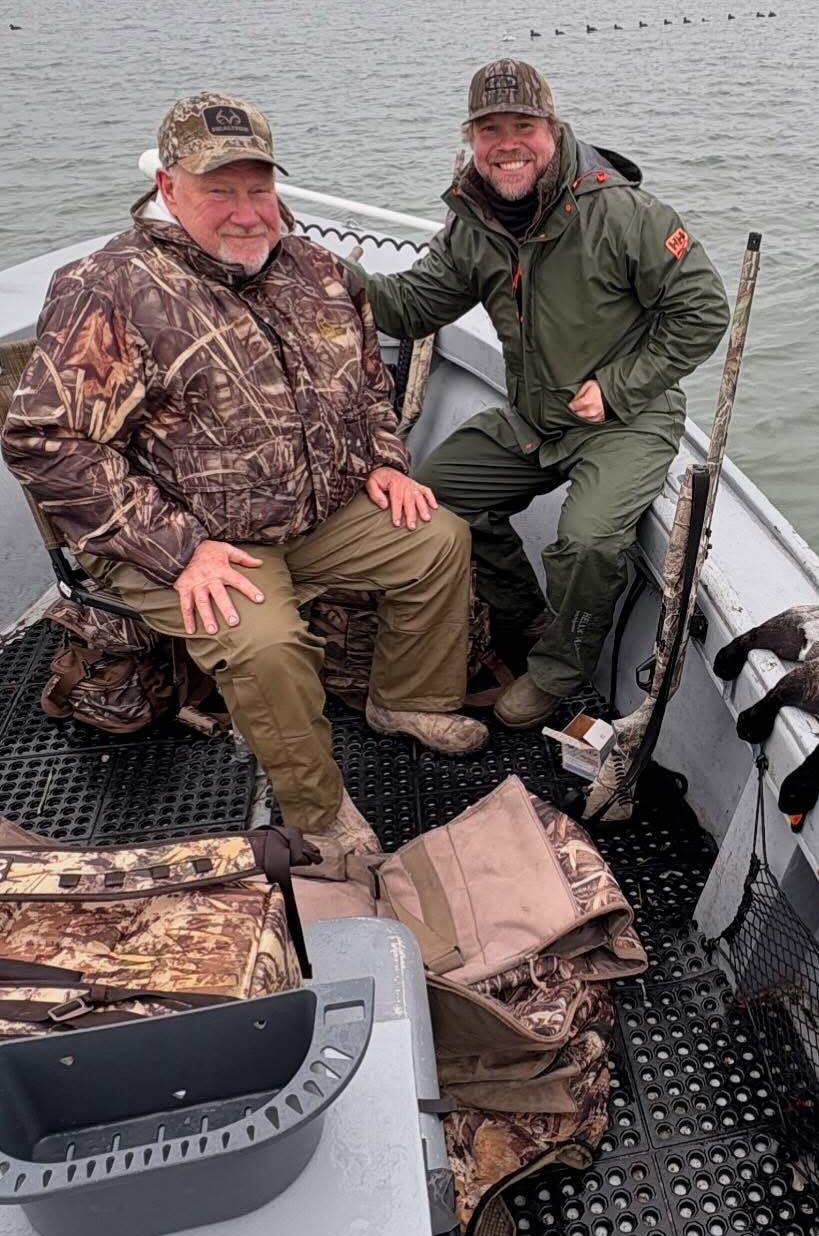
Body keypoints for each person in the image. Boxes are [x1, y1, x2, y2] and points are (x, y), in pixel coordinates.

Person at [2, 92, 487, 875]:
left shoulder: (319, 271)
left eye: (258, 188)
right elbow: (45, 442)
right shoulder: (109, 287)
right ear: (167, 188)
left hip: (316, 510)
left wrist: (385, 463)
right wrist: (181, 549)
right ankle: (320, 814)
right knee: (266, 641)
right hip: (186, 538)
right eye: (217, 190)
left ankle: (406, 699)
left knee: (437, 541)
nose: (246, 211)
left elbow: (367, 388)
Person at [348, 59, 730, 730]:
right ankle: (525, 617)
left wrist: (616, 387)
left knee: (586, 542)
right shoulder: (475, 222)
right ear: (471, 138)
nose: (507, 143)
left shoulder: (624, 213)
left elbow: (701, 311)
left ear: (551, 128)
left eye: (522, 125)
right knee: (438, 498)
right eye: (489, 129)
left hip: (627, 418)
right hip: (534, 416)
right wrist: (327, 274)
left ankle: (559, 667)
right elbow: (410, 307)